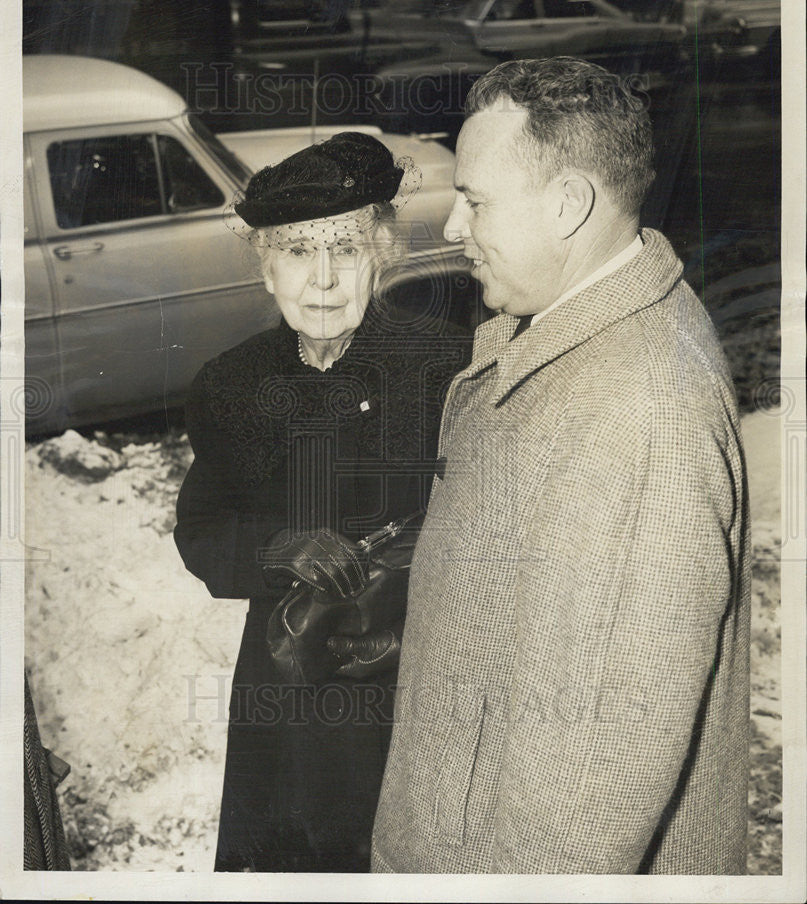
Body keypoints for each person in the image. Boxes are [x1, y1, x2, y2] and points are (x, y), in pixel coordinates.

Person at [371, 58, 751, 875]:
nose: (451, 229)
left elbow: (581, 804)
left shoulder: (637, 413)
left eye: (473, 201)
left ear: (569, 203)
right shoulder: (568, 331)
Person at [173, 132, 471, 872]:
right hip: (292, 683)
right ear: (265, 268)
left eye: (347, 250)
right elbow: (202, 527)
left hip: (420, 678)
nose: (325, 279)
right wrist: (277, 546)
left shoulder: (444, 366)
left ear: (384, 256)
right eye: (299, 253)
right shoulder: (231, 383)